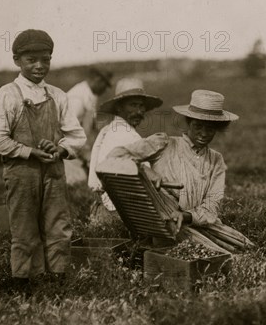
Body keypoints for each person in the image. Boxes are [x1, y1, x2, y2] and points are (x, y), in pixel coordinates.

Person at [0, 29, 86, 286]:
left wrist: (60, 149)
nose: (40, 66)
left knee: (58, 224)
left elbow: (77, 136)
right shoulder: (8, 95)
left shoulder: (58, 95)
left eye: (46, 59)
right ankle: (23, 282)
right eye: (32, 60)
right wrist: (29, 151)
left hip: (53, 170)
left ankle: (58, 279)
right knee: (24, 227)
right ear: (16, 60)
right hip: (22, 173)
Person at [107, 90, 251, 251]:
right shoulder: (165, 144)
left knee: (246, 250)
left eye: (210, 129)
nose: (203, 134)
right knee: (213, 258)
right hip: (166, 226)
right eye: (198, 126)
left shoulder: (216, 160)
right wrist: (145, 171)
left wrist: (185, 216)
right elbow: (116, 155)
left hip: (199, 225)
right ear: (189, 122)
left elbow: (212, 205)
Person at [87, 78, 162, 223]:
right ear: (118, 108)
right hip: (118, 212)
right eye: (133, 105)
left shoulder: (110, 129)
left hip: (108, 208)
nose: (139, 111)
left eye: (141, 106)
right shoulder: (122, 134)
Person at [64, 67, 113, 184]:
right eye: (104, 85)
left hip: (76, 144)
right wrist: (84, 151)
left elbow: (92, 125)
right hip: (64, 144)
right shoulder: (77, 97)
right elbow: (66, 127)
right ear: (97, 80)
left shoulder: (90, 94)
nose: (105, 90)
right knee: (77, 181)